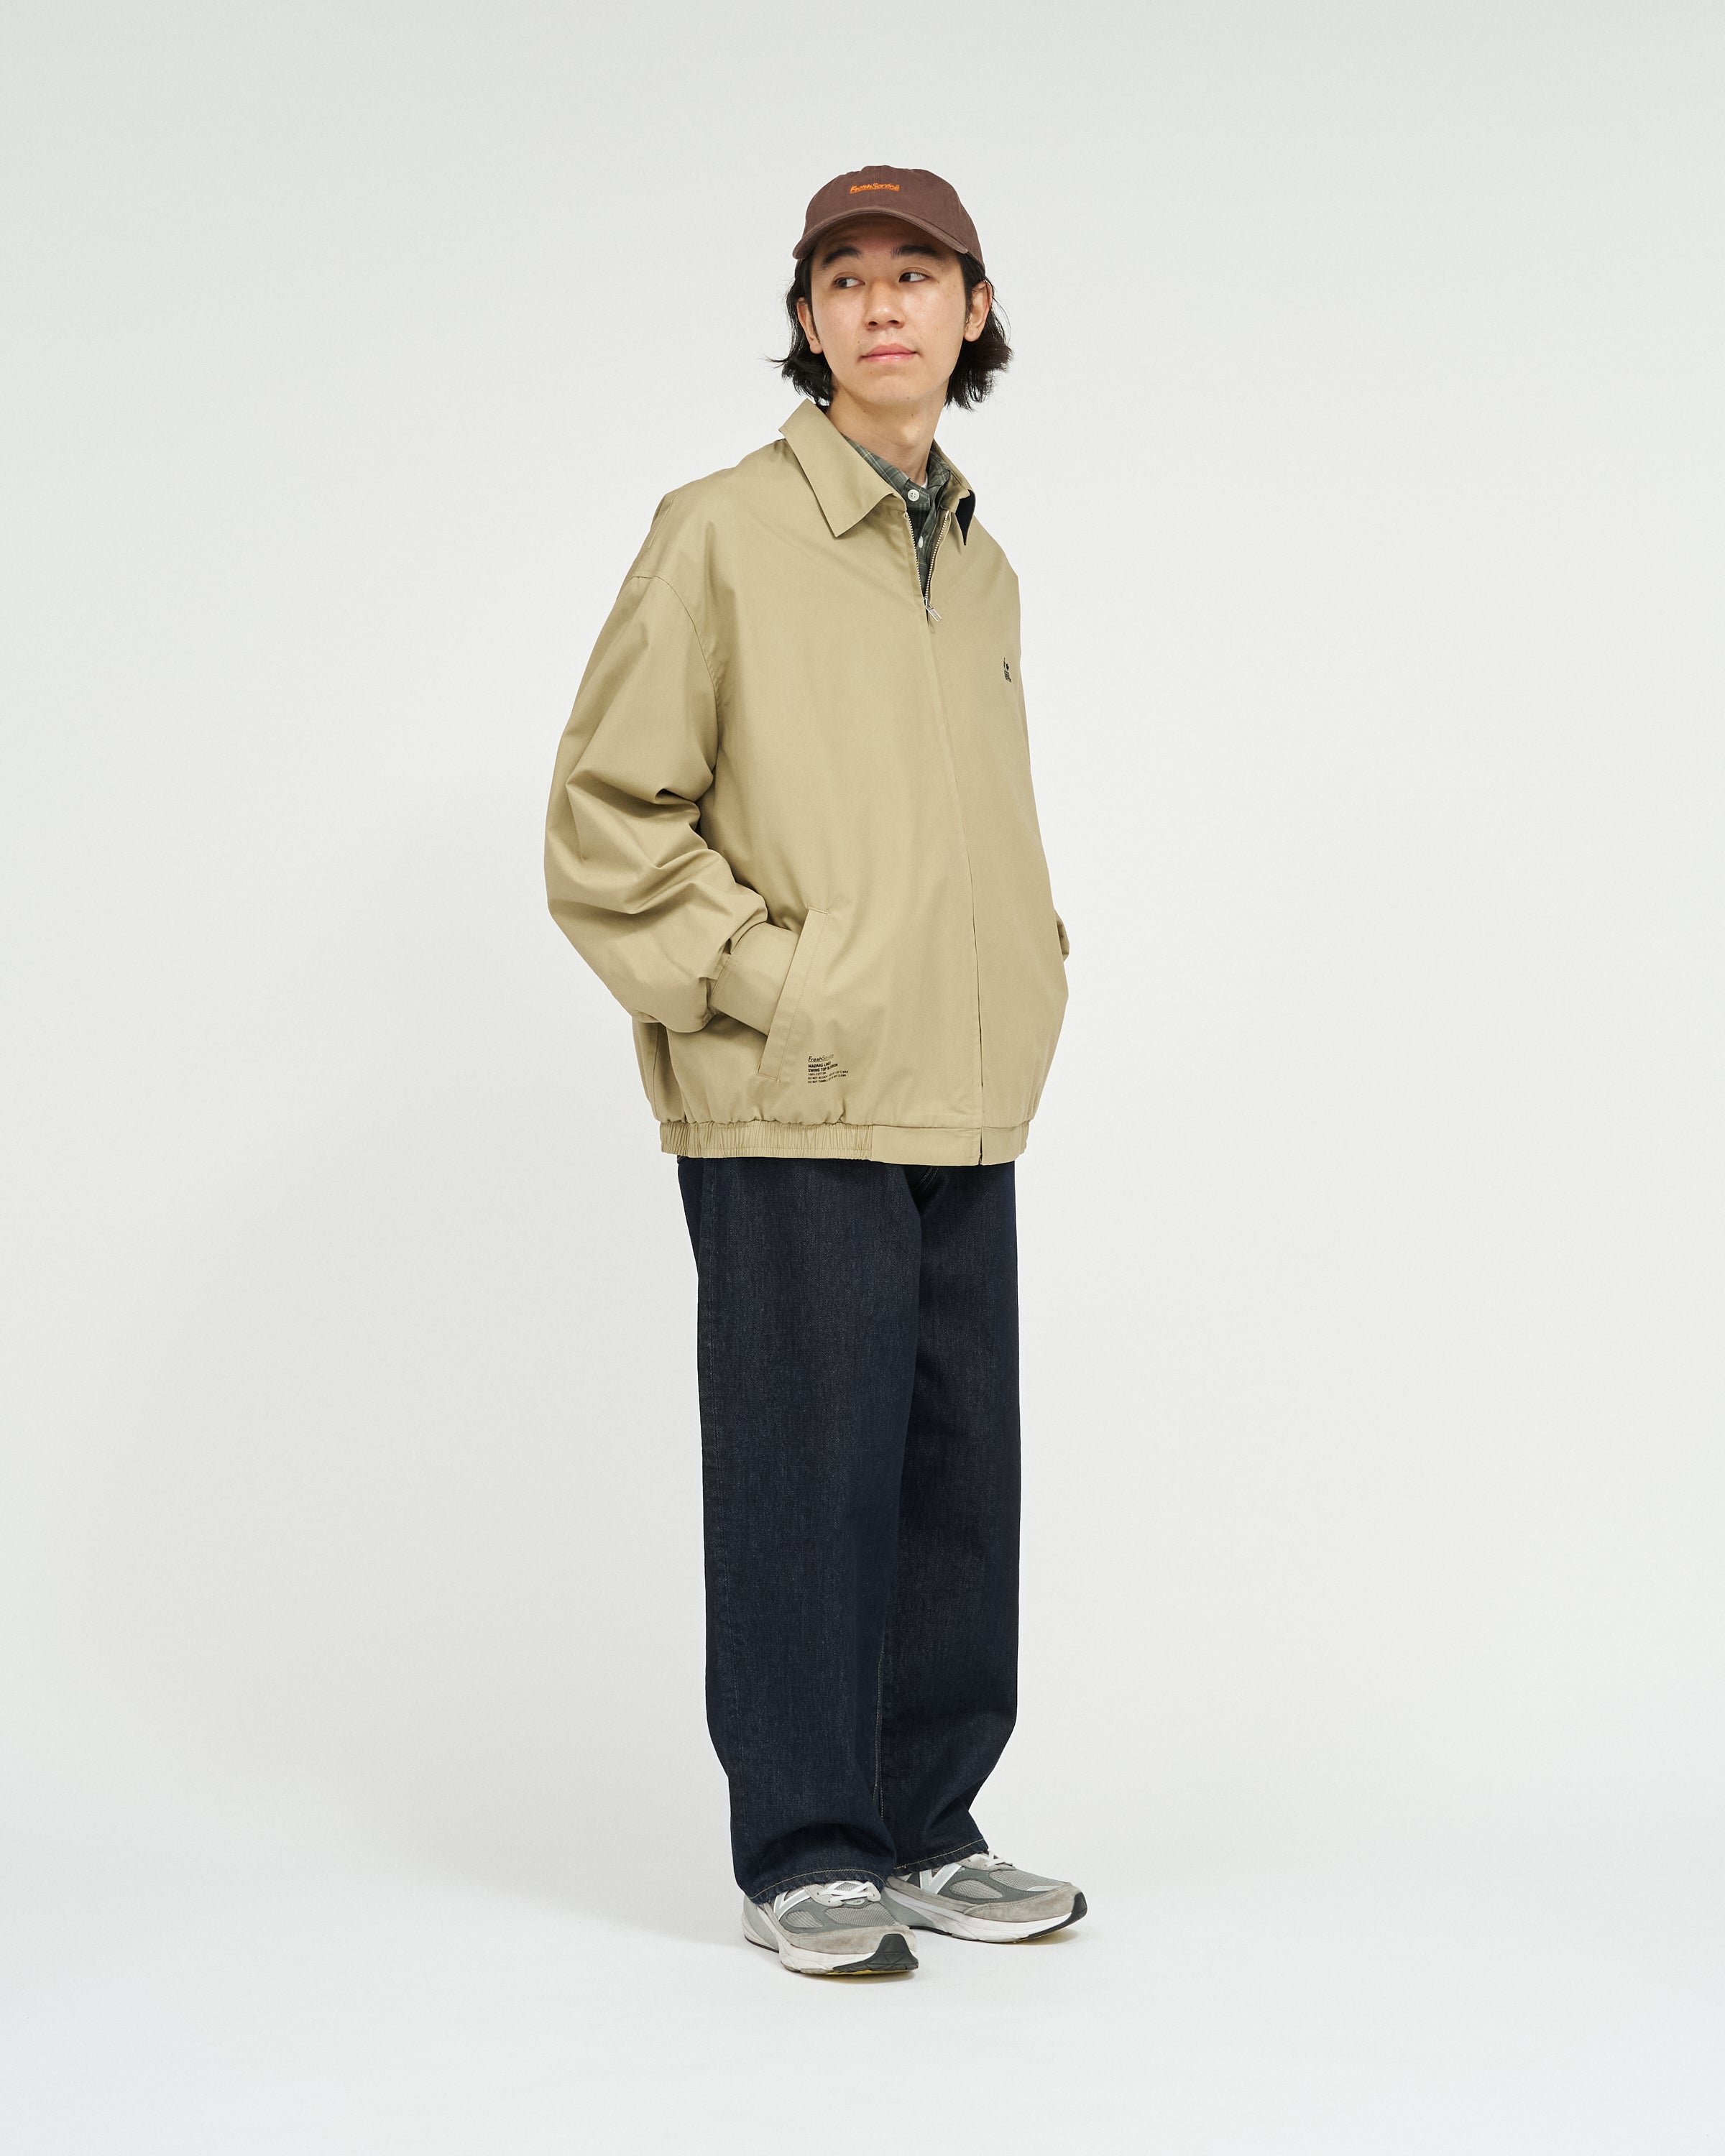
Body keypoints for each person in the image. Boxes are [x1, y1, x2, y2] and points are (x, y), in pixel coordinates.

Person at [545, 165, 1082, 1977]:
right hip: (794, 1088)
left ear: (973, 312)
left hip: (962, 1077)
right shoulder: (721, 531)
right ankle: (806, 1843)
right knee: (807, 1471)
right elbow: (607, 821)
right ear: (806, 323)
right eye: (843, 280)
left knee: (956, 1480)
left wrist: (1031, 970)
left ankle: (929, 1822)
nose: (880, 306)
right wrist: (778, 988)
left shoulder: (981, 562)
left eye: (915, 275)